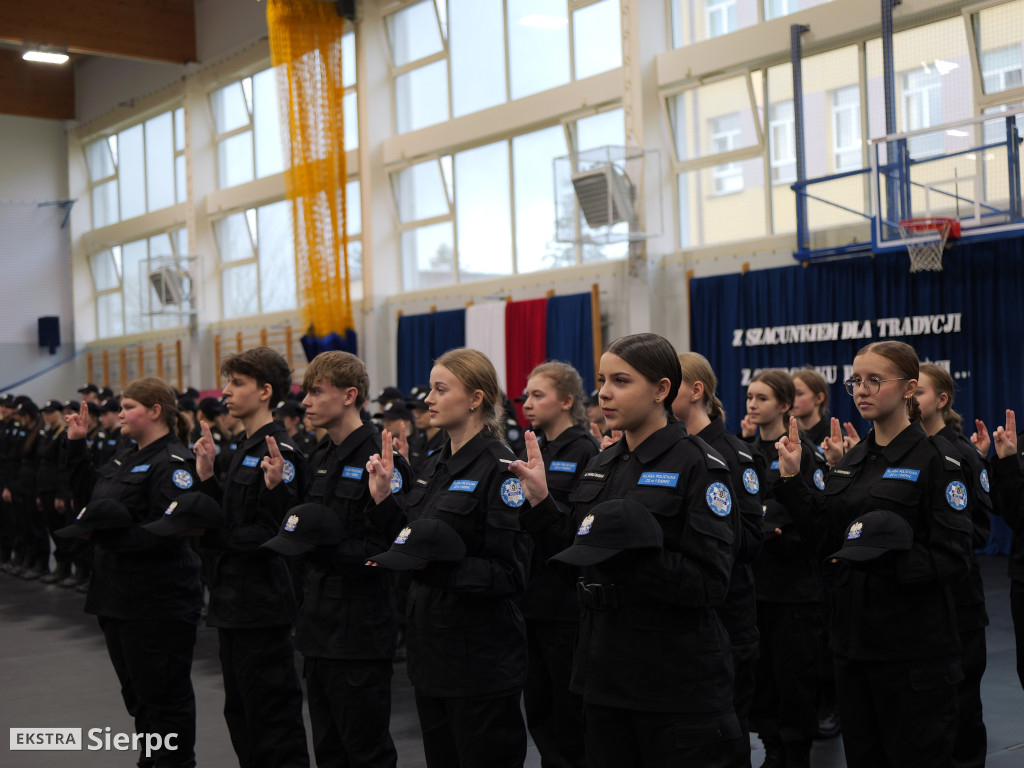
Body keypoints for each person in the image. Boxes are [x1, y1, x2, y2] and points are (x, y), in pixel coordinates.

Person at [510, 333, 739, 768]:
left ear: (661, 389)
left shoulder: (699, 465)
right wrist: (541, 505)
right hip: (603, 670)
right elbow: (573, 557)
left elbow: (710, 583)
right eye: (602, 380)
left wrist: (628, 560)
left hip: (672, 676)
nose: (604, 393)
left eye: (621, 380)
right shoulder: (603, 464)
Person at [774, 341, 973, 768]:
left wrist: (881, 562)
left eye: (875, 381)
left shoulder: (938, 460)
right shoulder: (853, 459)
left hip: (912, 650)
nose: (862, 390)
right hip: (852, 644)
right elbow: (827, 535)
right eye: (856, 381)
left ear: (909, 388)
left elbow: (955, 555)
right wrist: (791, 480)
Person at [366, 347, 531, 768]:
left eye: (441, 389)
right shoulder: (434, 464)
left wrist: (435, 568)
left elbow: (510, 574)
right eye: (431, 389)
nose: (429, 399)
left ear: (475, 398)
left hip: (480, 660)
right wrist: (384, 500)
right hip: (432, 654)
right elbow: (413, 537)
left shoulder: (501, 469)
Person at [269, 350, 412, 768]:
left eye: (316, 392)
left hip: (360, 630)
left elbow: (390, 547)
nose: (306, 402)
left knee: (365, 752)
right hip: (318, 626)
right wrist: (278, 493)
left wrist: (321, 550)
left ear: (350, 395)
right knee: (329, 751)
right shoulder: (321, 456)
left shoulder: (381, 459)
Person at [63, 378, 203, 768]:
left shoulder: (173, 463)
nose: (120, 414)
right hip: (116, 596)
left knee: (165, 698)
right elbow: (91, 499)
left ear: (155, 411)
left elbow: (166, 531)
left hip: (157, 601)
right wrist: (77, 446)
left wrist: (104, 537)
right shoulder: (126, 454)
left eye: (128, 407)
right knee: (138, 696)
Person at [188, 348, 310, 768]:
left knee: (271, 720)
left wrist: (218, 535)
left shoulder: (280, 453)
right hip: (233, 600)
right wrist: (207, 476)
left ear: (265, 392)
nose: (225, 392)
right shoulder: (244, 447)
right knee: (241, 715)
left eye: (237, 383)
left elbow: (276, 533)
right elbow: (227, 515)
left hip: (262, 603)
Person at [674, 352, 765, 768]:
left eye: (667, 384)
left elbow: (750, 542)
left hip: (728, 616)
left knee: (725, 736)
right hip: (681, 619)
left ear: (697, 391)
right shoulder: (669, 452)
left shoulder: (733, 454)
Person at [518, 361, 599, 768]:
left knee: (570, 711)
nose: (527, 403)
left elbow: (581, 528)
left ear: (567, 401)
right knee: (539, 706)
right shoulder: (538, 449)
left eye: (538, 395)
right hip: (533, 598)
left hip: (565, 602)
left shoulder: (584, 450)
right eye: (526, 396)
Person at [744, 369, 825, 768]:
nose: (752, 405)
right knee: (761, 679)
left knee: (793, 679)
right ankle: (773, 746)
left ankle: (796, 753)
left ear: (784, 405)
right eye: (749, 397)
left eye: (761, 398)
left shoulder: (802, 453)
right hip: (756, 586)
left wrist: (779, 534)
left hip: (793, 588)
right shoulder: (745, 453)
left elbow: (815, 519)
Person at [917, 363, 991, 767]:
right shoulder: (907, 450)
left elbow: (978, 530)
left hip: (959, 599)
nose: (910, 399)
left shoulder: (962, 453)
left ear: (942, 400)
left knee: (962, 705)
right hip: (919, 601)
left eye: (919, 393)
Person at [37, 400, 72, 584]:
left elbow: (62, 466)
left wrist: (61, 494)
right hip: (45, 485)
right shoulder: (49, 432)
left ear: (59, 413)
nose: (46, 416)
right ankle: (60, 565)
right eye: (44, 413)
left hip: (55, 487)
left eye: (50, 412)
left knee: (60, 529)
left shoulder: (63, 434)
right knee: (52, 528)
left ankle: (65, 566)